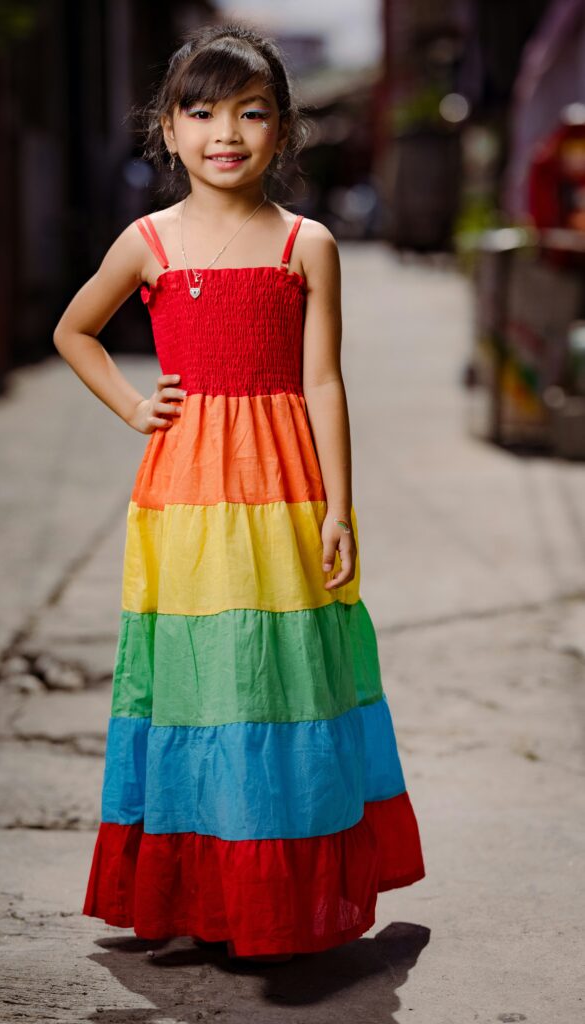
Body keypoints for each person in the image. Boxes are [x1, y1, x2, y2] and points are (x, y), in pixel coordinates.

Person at [53, 22, 425, 966]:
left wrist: (338, 508)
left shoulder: (308, 243)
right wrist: (133, 406)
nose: (225, 132)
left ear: (283, 130)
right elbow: (74, 331)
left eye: (251, 113)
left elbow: (323, 382)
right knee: (196, 680)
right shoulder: (147, 242)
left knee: (283, 678)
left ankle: (277, 901)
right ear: (168, 130)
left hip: (284, 487)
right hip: (183, 491)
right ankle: (195, 893)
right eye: (201, 112)